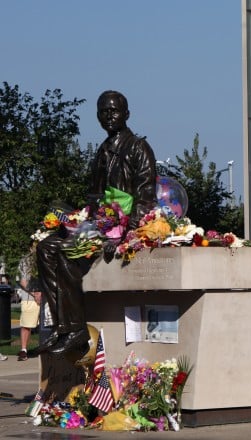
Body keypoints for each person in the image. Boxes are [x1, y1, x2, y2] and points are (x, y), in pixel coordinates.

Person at [34, 90, 157, 356]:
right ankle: (63, 328)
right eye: (103, 112)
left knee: (67, 253)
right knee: (46, 248)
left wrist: (123, 235)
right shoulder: (102, 152)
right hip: (100, 226)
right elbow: (94, 196)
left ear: (126, 114)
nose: (108, 116)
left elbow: (145, 199)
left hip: (124, 229)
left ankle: (76, 330)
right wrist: (80, 224)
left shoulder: (138, 148)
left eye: (113, 111)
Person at [17, 243, 42, 361]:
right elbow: (23, 282)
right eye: (34, 246)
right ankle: (23, 350)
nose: (36, 248)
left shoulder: (48, 257)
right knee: (27, 325)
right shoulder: (26, 260)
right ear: (30, 247)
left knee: (49, 325)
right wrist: (35, 294)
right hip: (29, 298)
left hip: (46, 297)